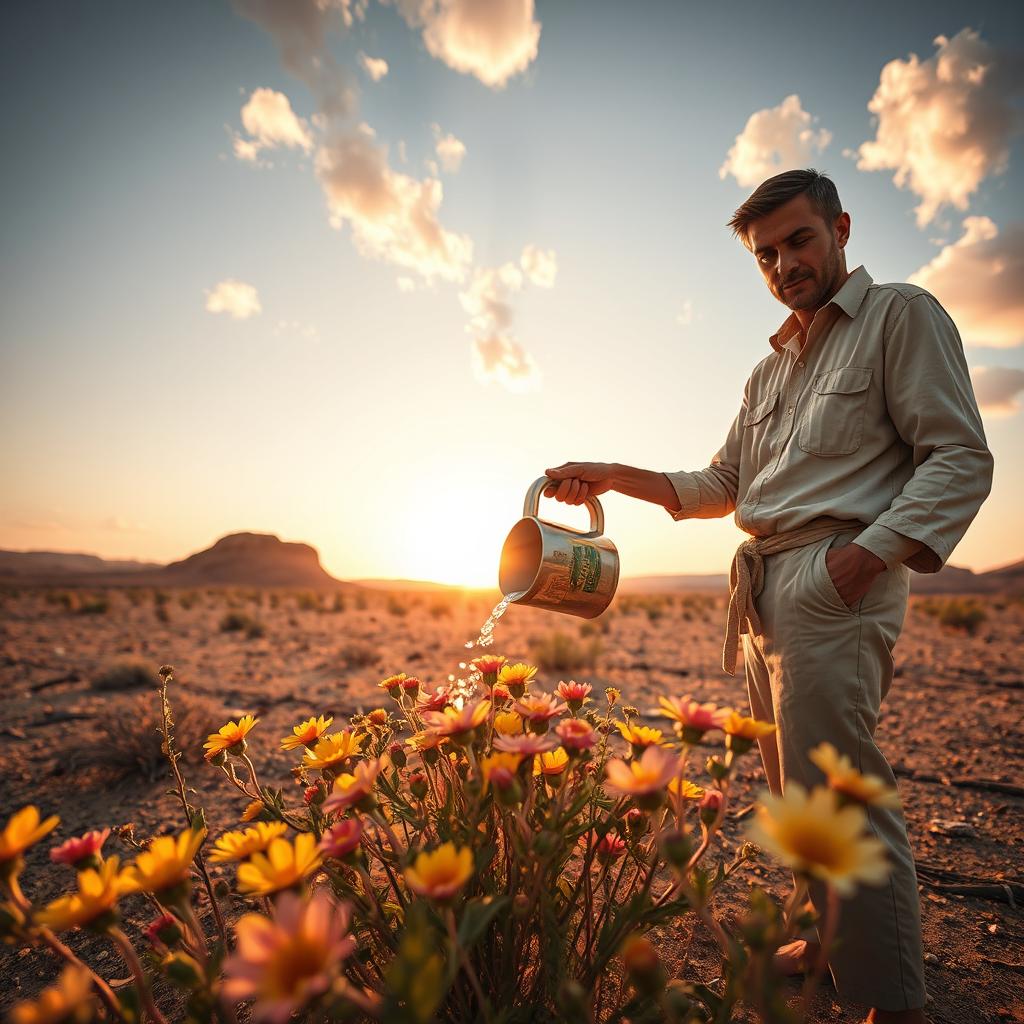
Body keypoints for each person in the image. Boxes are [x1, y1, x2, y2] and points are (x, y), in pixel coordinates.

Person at [541, 168, 993, 1024]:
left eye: (799, 240)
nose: (784, 263)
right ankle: (828, 939)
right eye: (766, 253)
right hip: (760, 590)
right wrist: (612, 473)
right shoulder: (767, 370)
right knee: (791, 794)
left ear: (841, 229)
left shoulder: (902, 315)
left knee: (839, 791)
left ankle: (891, 1003)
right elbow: (721, 481)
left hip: (833, 577)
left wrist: (865, 557)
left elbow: (960, 457)